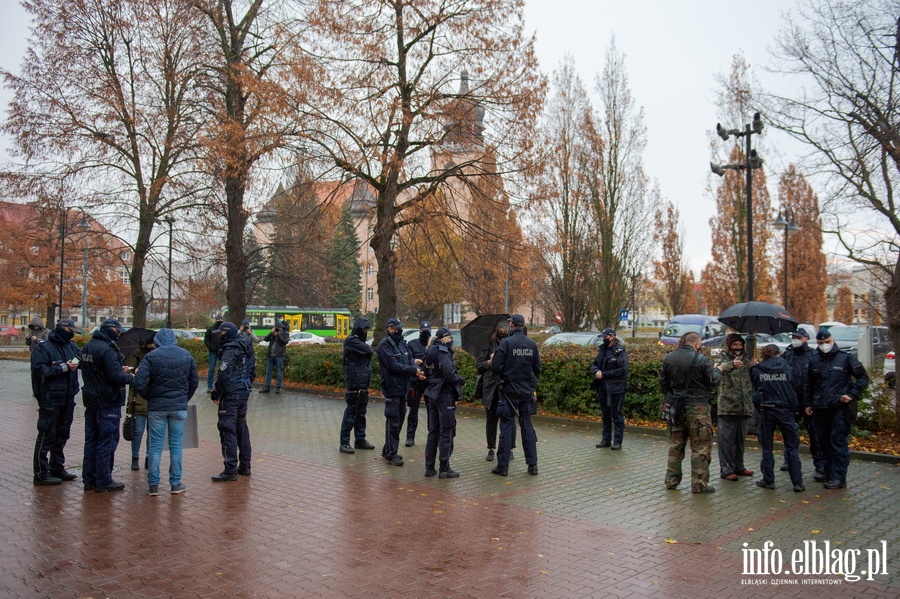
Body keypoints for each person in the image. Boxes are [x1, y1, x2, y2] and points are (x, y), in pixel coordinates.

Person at [133, 328, 199, 496]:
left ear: (158, 341)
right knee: (176, 446)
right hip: (179, 407)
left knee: (155, 446)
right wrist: (184, 398)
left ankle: (153, 485)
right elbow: (194, 381)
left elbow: (139, 381)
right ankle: (175, 483)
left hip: (157, 407)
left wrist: (149, 396)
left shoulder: (151, 356)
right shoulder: (186, 355)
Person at [805, 328, 869, 489]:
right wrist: (808, 404)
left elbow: (863, 377)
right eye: (820, 343)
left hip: (839, 408)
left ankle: (839, 477)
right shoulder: (814, 360)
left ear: (832, 341)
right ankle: (828, 473)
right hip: (820, 407)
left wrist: (851, 394)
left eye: (826, 342)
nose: (824, 345)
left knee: (838, 442)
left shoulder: (845, 358)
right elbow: (809, 385)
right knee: (823, 442)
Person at [659, 331, 722, 494]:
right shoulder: (702, 360)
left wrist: (673, 395)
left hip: (677, 407)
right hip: (698, 408)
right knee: (700, 446)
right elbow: (713, 381)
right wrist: (719, 370)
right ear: (697, 344)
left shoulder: (669, 358)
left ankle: (671, 481)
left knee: (676, 444)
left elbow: (663, 383)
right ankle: (699, 485)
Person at [80, 318, 134, 492]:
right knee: (107, 441)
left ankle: (89, 479)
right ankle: (104, 480)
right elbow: (115, 378)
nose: (119, 334)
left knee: (92, 440)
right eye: (117, 331)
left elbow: (97, 370)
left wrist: (118, 369)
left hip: (91, 399)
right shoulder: (108, 350)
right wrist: (131, 377)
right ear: (110, 330)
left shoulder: (88, 346)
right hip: (108, 401)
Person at [30, 318, 81, 485]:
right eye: (70, 330)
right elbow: (39, 370)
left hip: (68, 398)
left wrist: (74, 364)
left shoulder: (71, 346)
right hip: (49, 399)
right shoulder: (43, 348)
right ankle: (40, 473)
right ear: (63, 329)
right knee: (46, 435)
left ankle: (57, 467)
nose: (72, 334)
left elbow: (79, 359)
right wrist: (63, 367)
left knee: (62, 434)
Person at [490, 314, 541, 477]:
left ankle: (503, 467)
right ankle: (532, 465)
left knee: (506, 427)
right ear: (523, 326)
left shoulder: (506, 343)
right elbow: (537, 369)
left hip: (508, 392)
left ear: (512, 326)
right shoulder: (531, 344)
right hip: (526, 392)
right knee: (527, 425)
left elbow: (496, 367)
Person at [751, 344, 804, 492]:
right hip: (785, 411)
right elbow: (796, 387)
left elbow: (754, 389)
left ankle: (768, 480)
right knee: (792, 448)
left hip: (766, 411)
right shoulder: (788, 368)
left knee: (767, 448)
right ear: (778, 354)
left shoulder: (757, 370)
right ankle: (797, 482)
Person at [211, 321, 255, 481]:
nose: (219, 336)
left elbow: (224, 374)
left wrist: (216, 393)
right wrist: (246, 386)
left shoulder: (230, 349)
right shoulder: (247, 345)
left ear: (227, 333)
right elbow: (252, 371)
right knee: (241, 427)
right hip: (243, 392)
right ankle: (245, 465)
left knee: (227, 428)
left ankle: (230, 470)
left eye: (221, 333)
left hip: (230, 394)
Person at [377, 317, 423, 466]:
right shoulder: (385, 345)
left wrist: (416, 369)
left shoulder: (402, 343)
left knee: (400, 418)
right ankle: (391, 454)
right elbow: (393, 366)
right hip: (392, 388)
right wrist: (413, 371)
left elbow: (409, 359)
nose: (400, 331)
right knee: (393, 420)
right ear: (390, 329)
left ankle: (388, 449)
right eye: (397, 328)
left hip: (403, 388)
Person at [423, 327, 465, 478]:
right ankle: (444, 468)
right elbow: (449, 373)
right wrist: (461, 380)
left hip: (432, 393)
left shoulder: (429, 351)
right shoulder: (443, 352)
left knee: (433, 431)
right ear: (446, 338)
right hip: (444, 394)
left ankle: (429, 467)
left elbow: (425, 371)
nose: (452, 341)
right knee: (446, 431)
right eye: (450, 338)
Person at [715, 333, 754, 481]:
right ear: (729, 346)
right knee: (726, 442)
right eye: (734, 345)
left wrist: (753, 365)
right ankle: (726, 469)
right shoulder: (722, 358)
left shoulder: (745, 360)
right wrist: (730, 365)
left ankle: (739, 466)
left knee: (740, 441)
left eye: (740, 345)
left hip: (744, 407)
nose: (737, 348)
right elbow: (716, 369)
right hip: (727, 408)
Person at [781, 328, 820, 475]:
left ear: (805, 338)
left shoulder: (813, 355)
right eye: (793, 337)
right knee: (790, 433)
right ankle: (789, 460)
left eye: (798, 337)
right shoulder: (787, 354)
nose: (795, 339)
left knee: (814, 433)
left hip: (808, 401)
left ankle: (819, 463)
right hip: (791, 400)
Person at [476, 324, 514, 462]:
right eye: (500, 332)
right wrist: (489, 361)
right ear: (496, 332)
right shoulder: (489, 345)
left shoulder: (511, 344)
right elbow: (479, 366)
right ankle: (491, 448)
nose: (502, 334)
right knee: (491, 419)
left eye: (505, 332)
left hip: (506, 386)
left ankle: (509, 449)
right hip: (491, 387)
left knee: (509, 418)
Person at [339, 317, 375, 454]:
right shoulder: (351, 340)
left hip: (363, 382)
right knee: (351, 412)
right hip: (354, 382)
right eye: (364, 329)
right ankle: (344, 442)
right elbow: (368, 350)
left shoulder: (358, 341)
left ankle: (360, 439)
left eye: (367, 330)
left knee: (361, 413)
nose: (366, 332)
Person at [590, 327, 629, 450]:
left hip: (616, 388)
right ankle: (606, 439)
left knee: (616, 415)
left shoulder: (619, 351)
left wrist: (604, 374)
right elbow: (595, 364)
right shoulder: (602, 349)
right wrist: (596, 371)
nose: (603, 339)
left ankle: (617, 441)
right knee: (605, 414)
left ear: (612, 336)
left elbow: (623, 370)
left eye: (605, 337)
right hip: (603, 387)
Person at [125, 338, 156, 471]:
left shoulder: (159, 355)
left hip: (154, 399)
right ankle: (135, 457)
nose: (152, 346)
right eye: (150, 344)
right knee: (137, 431)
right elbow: (128, 373)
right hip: (139, 400)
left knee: (152, 432)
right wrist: (135, 373)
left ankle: (149, 458)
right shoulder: (137, 355)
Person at [404, 321, 431, 447]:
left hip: (429, 383)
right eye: (423, 332)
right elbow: (407, 359)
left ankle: (432, 436)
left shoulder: (432, 345)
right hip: (415, 382)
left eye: (427, 332)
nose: (425, 334)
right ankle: (410, 437)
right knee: (413, 411)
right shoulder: (412, 345)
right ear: (420, 332)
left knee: (432, 411)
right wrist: (414, 361)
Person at [260, 320, 289, 394]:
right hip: (270, 355)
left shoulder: (285, 333)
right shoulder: (272, 333)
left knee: (279, 372)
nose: (277, 330)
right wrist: (271, 333)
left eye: (278, 329)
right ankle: (267, 387)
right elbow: (265, 339)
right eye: (275, 328)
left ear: (281, 328)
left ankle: (278, 388)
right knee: (268, 372)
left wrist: (278, 335)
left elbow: (285, 342)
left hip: (279, 355)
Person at [204, 314, 224, 393]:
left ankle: (220, 385)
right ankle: (210, 386)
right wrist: (210, 347)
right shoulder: (210, 329)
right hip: (213, 351)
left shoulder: (224, 329)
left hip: (222, 352)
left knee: (222, 369)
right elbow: (206, 340)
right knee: (211, 369)